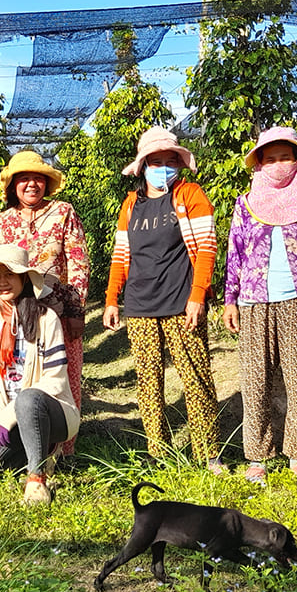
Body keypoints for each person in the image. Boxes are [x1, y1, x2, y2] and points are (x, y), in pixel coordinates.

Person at [223, 126, 297, 485]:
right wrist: (230, 300)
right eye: (270, 158)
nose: (278, 165)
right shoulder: (246, 204)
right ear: (260, 164)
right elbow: (235, 253)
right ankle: (257, 456)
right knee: (255, 381)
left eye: (285, 157)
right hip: (254, 302)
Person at [103, 127, 223, 472]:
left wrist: (198, 296)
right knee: (148, 381)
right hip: (140, 304)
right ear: (143, 166)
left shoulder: (190, 195)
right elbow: (121, 255)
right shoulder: (131, 204)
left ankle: (209, 453)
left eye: (171, 161)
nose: (164, 168)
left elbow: (207, 249)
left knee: (196, 377)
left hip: (181, 302)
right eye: (156, 162)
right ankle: (158, 453)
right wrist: (111, 299)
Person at [0, 151, 88, 456]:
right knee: (15, 372)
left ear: (46, 183)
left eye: (37, 178)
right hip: (12, 313)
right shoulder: (1, 222)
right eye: (24, 179)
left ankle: (63, 450)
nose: (31, 184)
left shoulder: (62, 212)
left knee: (62, 377)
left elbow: (78, 262)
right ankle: (16, 438)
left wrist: (76, 310)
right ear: (13, 185)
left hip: (57, 312)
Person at [0, 245, 79, 504]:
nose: (2, 282)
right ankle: (33, 453)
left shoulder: (46, 318)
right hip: (8, 416)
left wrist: (10, 413)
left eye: (9, 275)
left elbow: (56, 379)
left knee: (28, 398)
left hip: (51, 411)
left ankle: (37, 479)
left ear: (24, 278)